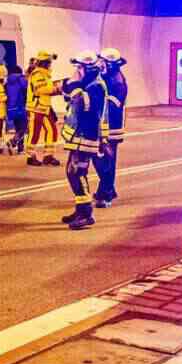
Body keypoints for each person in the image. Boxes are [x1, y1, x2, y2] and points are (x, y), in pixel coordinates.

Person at [60, 51, 108, 230]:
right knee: (72, 171)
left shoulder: (96, 86)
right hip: (78, 135)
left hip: (86, 136)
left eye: (79, 67)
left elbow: (81, 103)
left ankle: (86, 213)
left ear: (87, 69)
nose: (77, 71)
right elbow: (70, 96)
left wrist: (74, 85)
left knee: (77, 172)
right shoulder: (88, 82)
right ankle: (80, 208)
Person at [92, 48, 128, 208]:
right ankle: (106, 190)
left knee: (105, 160)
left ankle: (106, 193)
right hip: (107, 126)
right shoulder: (109, 77)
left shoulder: (117, 81)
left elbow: (112, 106)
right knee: (104, 160)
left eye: (103, 61)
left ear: (111, 64)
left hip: (111, 127)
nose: (100, 64)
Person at [26, 51, 61, 167]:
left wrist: (55, 89)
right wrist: (57, 89)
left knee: (52, 130)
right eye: (49, 62)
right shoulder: (37, 74)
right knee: (34, 133)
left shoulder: (44, 74)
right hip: (36, 107)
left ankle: (48, 156)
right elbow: (41, 89)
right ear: (45, 62)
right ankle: (30, 156)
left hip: (44, 107)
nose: (50, 64)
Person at [5, 64, 28, 155]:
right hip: (21, 107)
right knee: (24, 128)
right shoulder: (22, 80)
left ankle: (20, 149)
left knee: (18, 128)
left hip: (11, 108)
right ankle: (13, 142)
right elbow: (27, 91)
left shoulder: (7, 82)